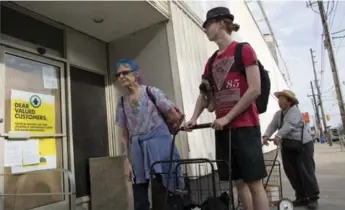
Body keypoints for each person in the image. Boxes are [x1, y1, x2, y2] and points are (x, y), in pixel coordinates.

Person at [185, 7, 270, 210]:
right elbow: (205, 95)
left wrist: (228, 117)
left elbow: (255, 89)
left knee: (255, 184)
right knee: (238, 182)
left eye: (207, 25)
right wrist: (194, 117)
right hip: (223, 130)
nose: (204, 29)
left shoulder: (244, 50)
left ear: (221, 23)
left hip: (246, 127)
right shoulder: (211, 61)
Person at [114, 58, 184, 210]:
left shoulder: (152, 92)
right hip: (137, 149)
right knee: (139, 193)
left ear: (136, 73)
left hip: (160, 146)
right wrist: (126, 160)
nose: (121, 77)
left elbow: (174, 116)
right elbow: (124, 133)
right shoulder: (122, 102)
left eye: (125, 72)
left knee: (167, 191)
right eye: (118, 75)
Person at [262, 90, 320, 209]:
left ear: (289, 102)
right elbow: (273, 125)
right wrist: (266, 135)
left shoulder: (295, 111)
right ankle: (301, 197)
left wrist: (278, 136)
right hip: (288, 146)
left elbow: (289, 125)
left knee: (306, 171)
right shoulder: (279, 114)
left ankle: (313, 198)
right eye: (278, 100)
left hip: (302, 145)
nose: (279, 102)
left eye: (282, 100)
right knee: (292, 172)